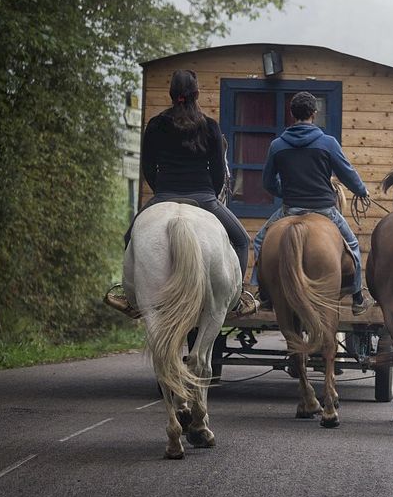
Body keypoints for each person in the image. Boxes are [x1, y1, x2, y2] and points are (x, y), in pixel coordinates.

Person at [105, 69, 257, 318]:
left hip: (164, 195)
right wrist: (209, 192)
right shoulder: (210, 127)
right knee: (241, 240)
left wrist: (161, 193)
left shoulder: (155, 125)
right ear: (197, 94)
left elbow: (148, 167)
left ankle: (130, 296)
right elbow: (219, 172)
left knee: (130, 237)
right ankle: (237, 297)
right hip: (205, 198)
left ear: (171, 94)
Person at [253, 91, 373, 315]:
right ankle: (357, 297)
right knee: (353, 245)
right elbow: (346, 173)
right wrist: (361, 190)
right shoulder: (328, 143)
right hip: (325, 210)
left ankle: (265, 294)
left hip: (290, 209)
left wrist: (284, 190)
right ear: (314, 114)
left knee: (260, 241)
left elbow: (268, 182)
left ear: (292, 114)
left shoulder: (277, 145)